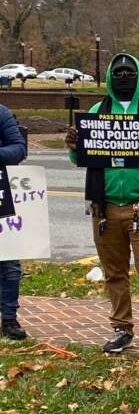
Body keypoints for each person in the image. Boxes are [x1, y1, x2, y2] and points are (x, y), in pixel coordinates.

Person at [64, 53, 139, 355]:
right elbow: (81, 159)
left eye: (130, 72)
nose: (125, 77)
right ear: (110, 77)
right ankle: (121, 328)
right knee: (113, 271)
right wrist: (75, 146)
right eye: (119, 73)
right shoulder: (96, 110)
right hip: (105, 208)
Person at [0, 103, 27, 340]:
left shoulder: (1, 113)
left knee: (8, 263)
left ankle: (9, 319)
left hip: (2, 196)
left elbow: (19, 149)